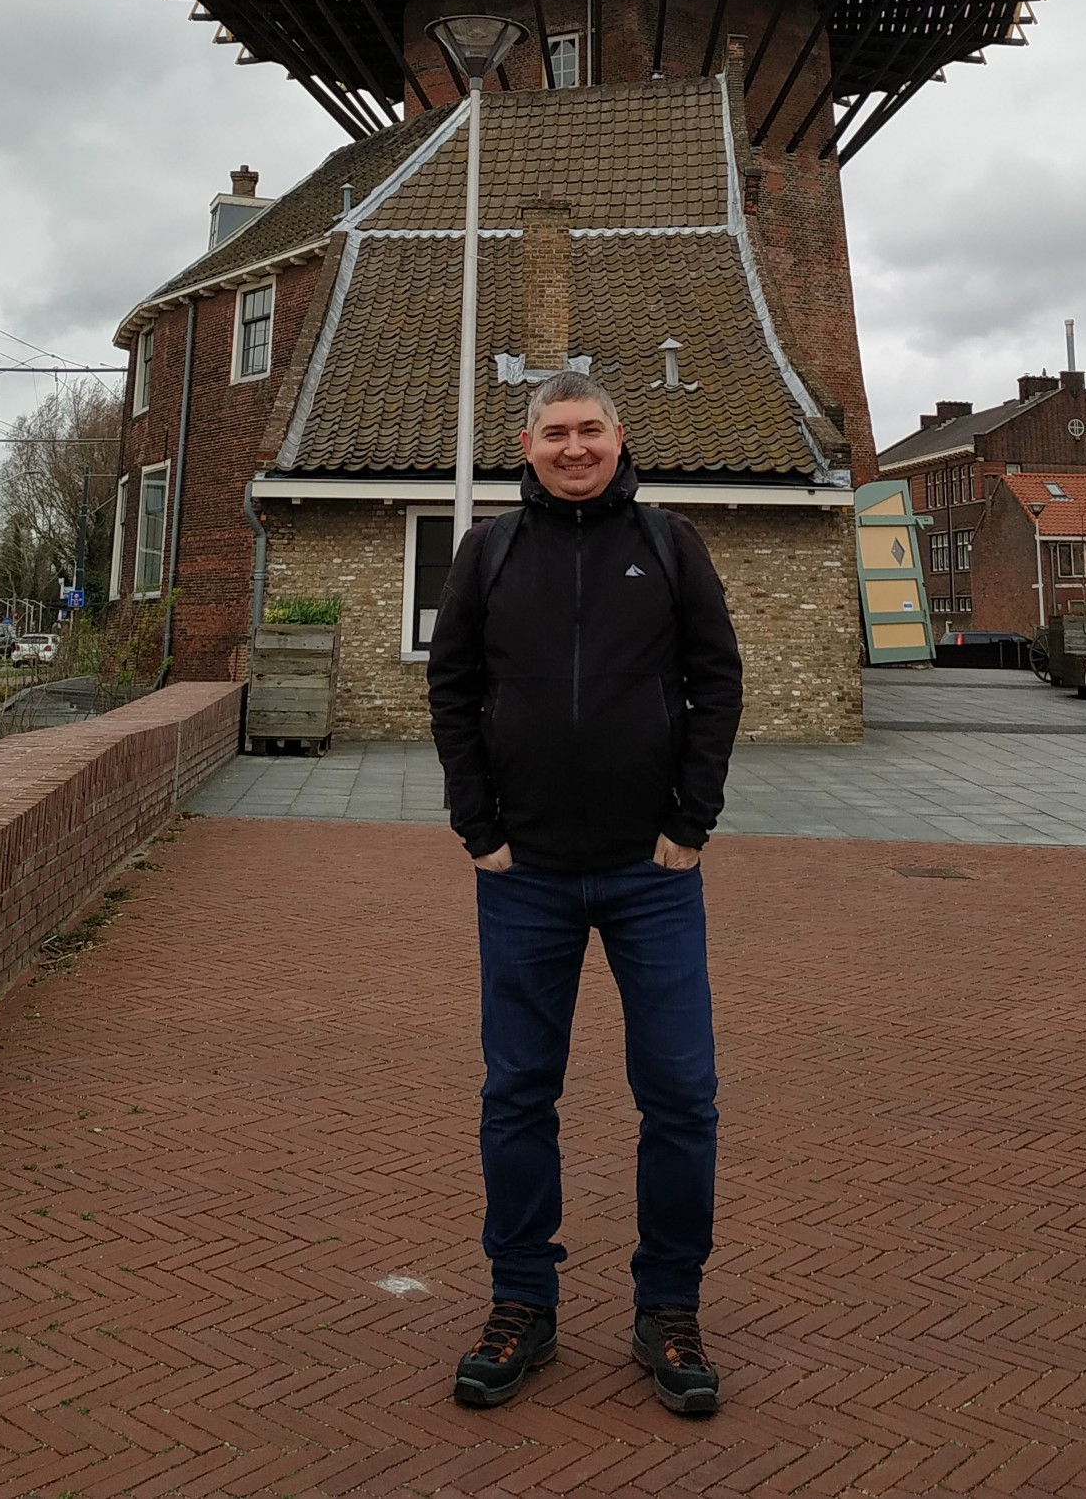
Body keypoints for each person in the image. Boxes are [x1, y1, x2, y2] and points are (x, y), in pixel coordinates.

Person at [427, 369, 744, 1417]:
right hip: (525, 876)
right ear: (525, 444)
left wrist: (688, 823)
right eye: (554, 431)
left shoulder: (666, 544)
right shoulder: (490, 551)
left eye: (589, 430)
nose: (573, 447)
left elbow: (717, 679)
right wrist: (478, 827)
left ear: (618, 438)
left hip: (650, 876)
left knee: (680, 1096)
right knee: (516, 1092)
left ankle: (668, 1306)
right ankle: (522, 1298)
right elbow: (453, 686)